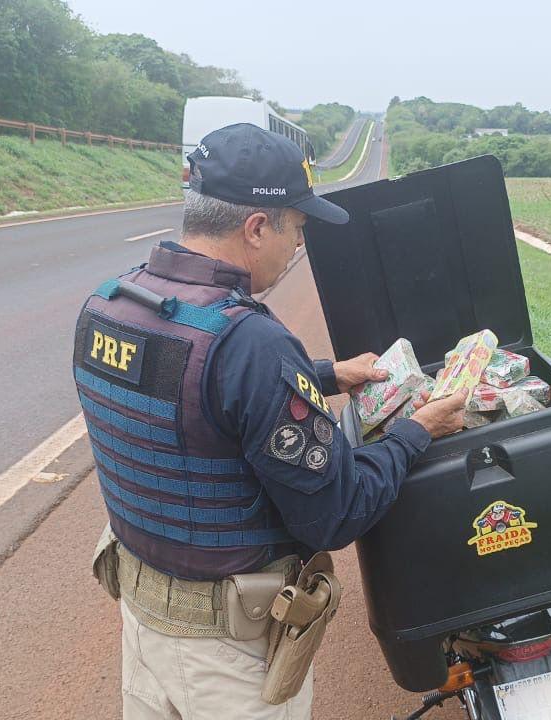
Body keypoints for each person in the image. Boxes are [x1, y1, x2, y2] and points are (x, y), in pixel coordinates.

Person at [73, 122, 466, 720]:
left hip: (144, 623)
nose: (298, 249)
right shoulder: (251, 344)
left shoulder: (111, 304)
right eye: (298, 231)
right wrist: (418, 431)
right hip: (227, 661)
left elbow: (196, 402)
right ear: (258, 228)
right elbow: (339, 512)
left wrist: (327, 375)